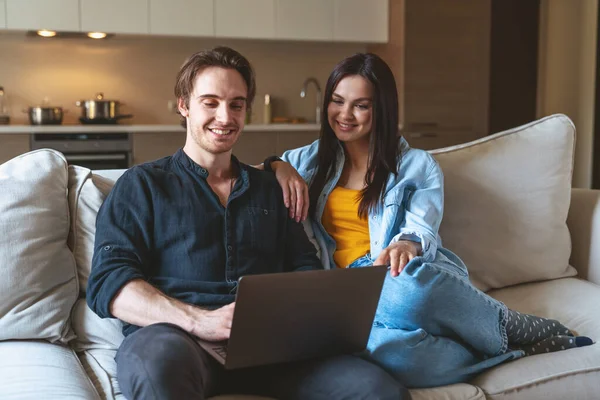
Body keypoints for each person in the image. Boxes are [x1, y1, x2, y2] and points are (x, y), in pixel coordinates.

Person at [86, 46, 410, 400]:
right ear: (184, 105)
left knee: (377, 389)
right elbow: (109, 283)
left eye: (236, 104)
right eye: (210, 102)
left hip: (273, 351)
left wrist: (306, 320)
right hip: (177, 340)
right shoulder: (142, 184)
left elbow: (304, 266)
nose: (225, 117)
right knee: (156, 368)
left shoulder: (271, 189)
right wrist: (200, 321)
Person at [267, 52, 594, 388]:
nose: (344, 115)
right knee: (386, 350)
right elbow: (264, 172)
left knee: (405, 292)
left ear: (382, 109)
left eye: (360, 105)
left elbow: (422, 225)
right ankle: (509, 350)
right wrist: (277, 165)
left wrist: (406, 243)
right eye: (337, 102)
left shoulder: (415, 165)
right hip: (345, 293)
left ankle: (509, 322)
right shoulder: (304, 161)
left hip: (398, 277)